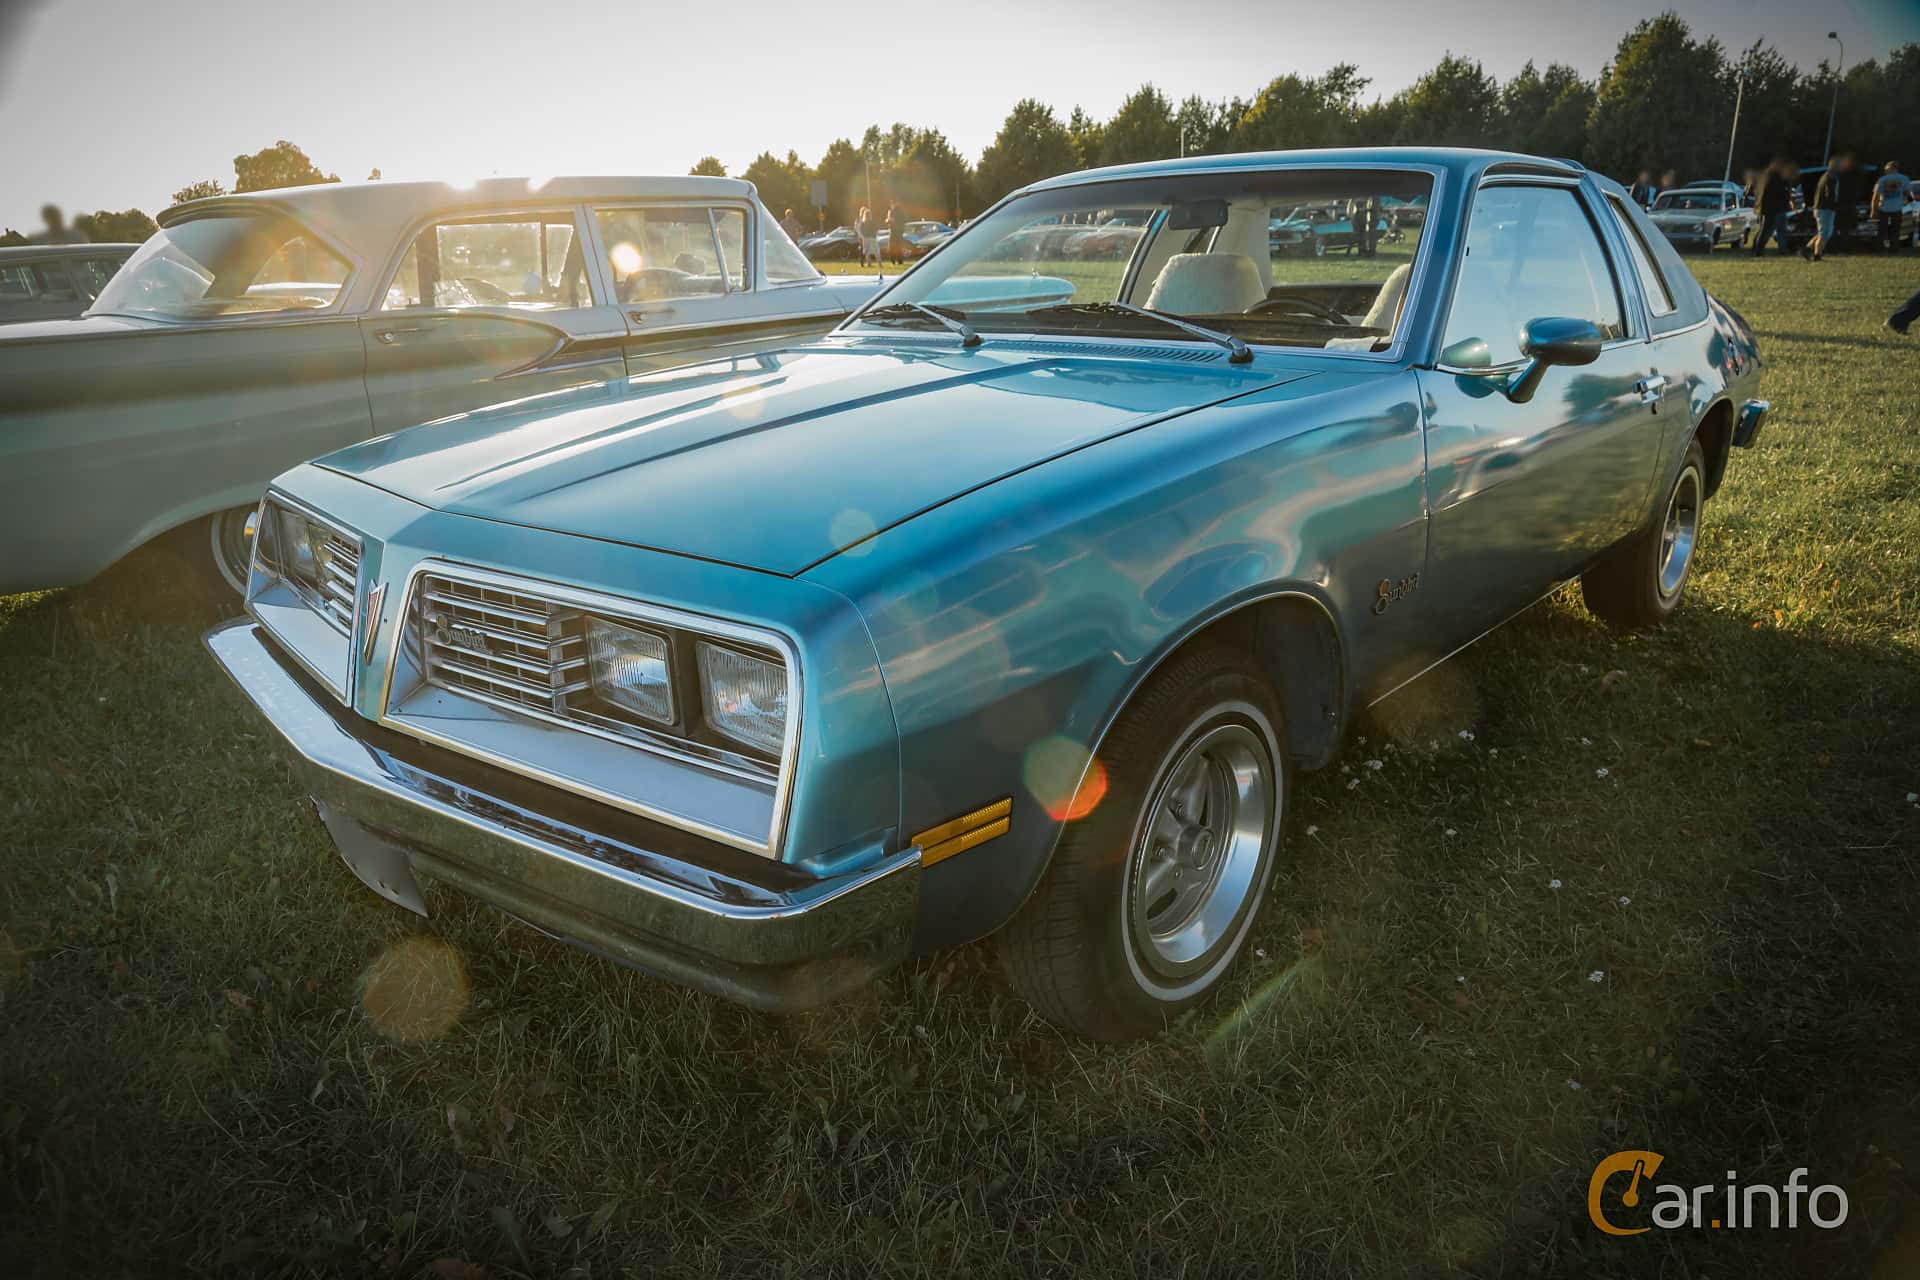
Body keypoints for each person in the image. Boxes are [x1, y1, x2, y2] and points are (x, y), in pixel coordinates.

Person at [1803, 151, 1856, 261]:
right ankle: (1817, 255)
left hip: (1821, 208)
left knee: (1822, 232)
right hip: (1825, 208)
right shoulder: (1831, 177)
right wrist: (1836, 205)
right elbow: (1830, 194)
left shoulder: (1826, 175)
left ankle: (1807, 249)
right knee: (1825, 233)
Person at [1751, 158, 1793, 256]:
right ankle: (1759, 250)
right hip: (1772, 208)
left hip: (1767, 207)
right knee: (1767, 230)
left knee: (1764, 230)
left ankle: (1757, 249)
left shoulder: (1766, 176)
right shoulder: (1774, 177)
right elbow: (1779, 192)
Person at [1872, 161, 1908, 251]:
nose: (1885, 172)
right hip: (1897, 208)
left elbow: (1875, 196)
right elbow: (1906, 192)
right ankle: (1894, 248)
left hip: (1884, 208)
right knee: (1895, 230)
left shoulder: (1882, 179)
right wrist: (1903, 201)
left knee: (1882, 230)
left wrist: (1873, 209)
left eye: (1886, 169)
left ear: (1892, 168)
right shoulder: (1904, 179)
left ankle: (1880, 248)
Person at [885, 201, 908, 266]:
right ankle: (898, 260)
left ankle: (894, 260)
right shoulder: (899, 211)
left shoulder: (893, 212)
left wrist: (890, 220)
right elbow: (888, 220)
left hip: (895, 231)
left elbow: (890, 220)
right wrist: (888, 220)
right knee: (897, 246)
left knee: (893, 246)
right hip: (897, 231)